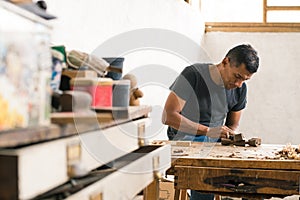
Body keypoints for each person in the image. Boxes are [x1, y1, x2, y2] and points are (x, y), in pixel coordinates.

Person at [162, 44, 259, 200]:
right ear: (225, 61)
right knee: (205, 161)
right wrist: (208, 131)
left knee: (247, 165)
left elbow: (232, 124)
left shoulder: (240, 88)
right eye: (237, 77)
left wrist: (230, 135)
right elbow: (168, 116)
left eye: (245, 79)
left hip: (213, 139)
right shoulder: (193, 75)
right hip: (183, 138)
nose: (238, 84)